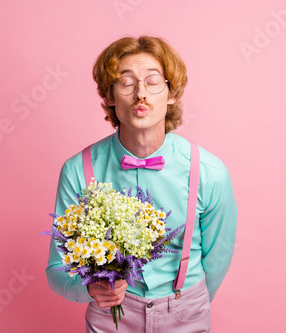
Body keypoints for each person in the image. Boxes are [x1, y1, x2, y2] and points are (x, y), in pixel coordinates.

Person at [46, 35, 237, 332]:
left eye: (153, 81)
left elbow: (217, 258)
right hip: (110, 320)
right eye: (126, 82)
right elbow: (57, 268)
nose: (141, 94)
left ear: (171, 93)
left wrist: (186, 305)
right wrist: (90, 291)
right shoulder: (77, 170)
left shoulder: (209, 172)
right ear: (109, 96)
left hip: (186, 315)